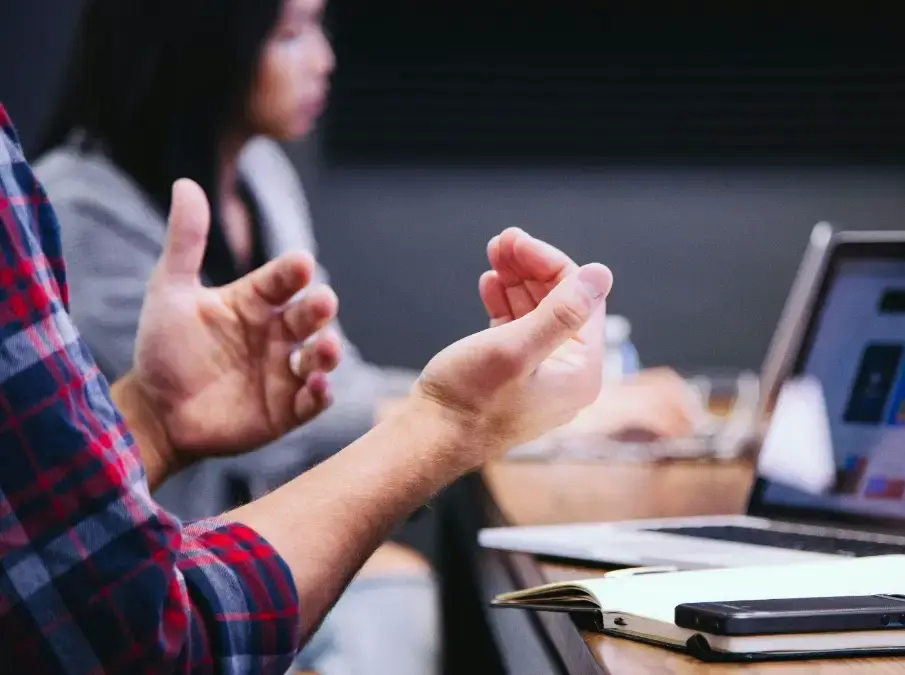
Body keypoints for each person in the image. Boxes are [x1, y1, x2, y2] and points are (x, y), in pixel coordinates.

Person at [34, 0, 696, 670]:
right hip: (153, 594)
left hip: (243, 552)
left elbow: (325, 386)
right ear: (196, 44)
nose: (325, 60)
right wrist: (530, 417)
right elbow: (290, 431)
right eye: (290, 34)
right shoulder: (78, 213)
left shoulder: (261, 175)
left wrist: (503, 400)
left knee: (404, 594)